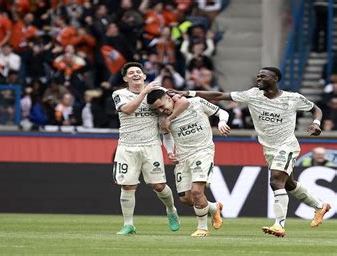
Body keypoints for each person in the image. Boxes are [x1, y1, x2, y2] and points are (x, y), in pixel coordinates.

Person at [175, 67, 332, 237]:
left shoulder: (292, 98)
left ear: (275, 79)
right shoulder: (252, 95)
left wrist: (316, 122)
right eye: (258, 76)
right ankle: (319, 206)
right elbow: (220, 95)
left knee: (276, 179)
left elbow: (316, 109)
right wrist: (188, 92)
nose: (259, 79)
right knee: (289, 184)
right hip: (269, 148)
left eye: (263, 76)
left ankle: (279, 225)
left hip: (287, 145)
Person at [112, 62, 189, 235]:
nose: (135, 74)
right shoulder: (119, 94)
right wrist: (144, 93)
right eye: (131, 73)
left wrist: (170, 146)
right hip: (127, 146)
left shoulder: (157, 93)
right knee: (127, 186)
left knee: (159, 185)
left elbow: (176, 110)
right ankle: (128, 224)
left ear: (145, 76)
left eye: (138, 71)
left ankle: (171, 210)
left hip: (151, 146)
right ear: (125, 78)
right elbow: (128, 110)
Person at [147, 88, 229, 237]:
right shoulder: (162, 118)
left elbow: (222, 112)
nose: (161, 110)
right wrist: (171, 151)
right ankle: (214, 208)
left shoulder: (196, 103)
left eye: (161, 105)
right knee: (187, 199)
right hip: (183, 157)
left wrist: (222, 122)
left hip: (203, 151)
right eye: (157, 109)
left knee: (197, 191)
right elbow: (166, 136)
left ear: (169, 98)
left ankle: (202, 229)